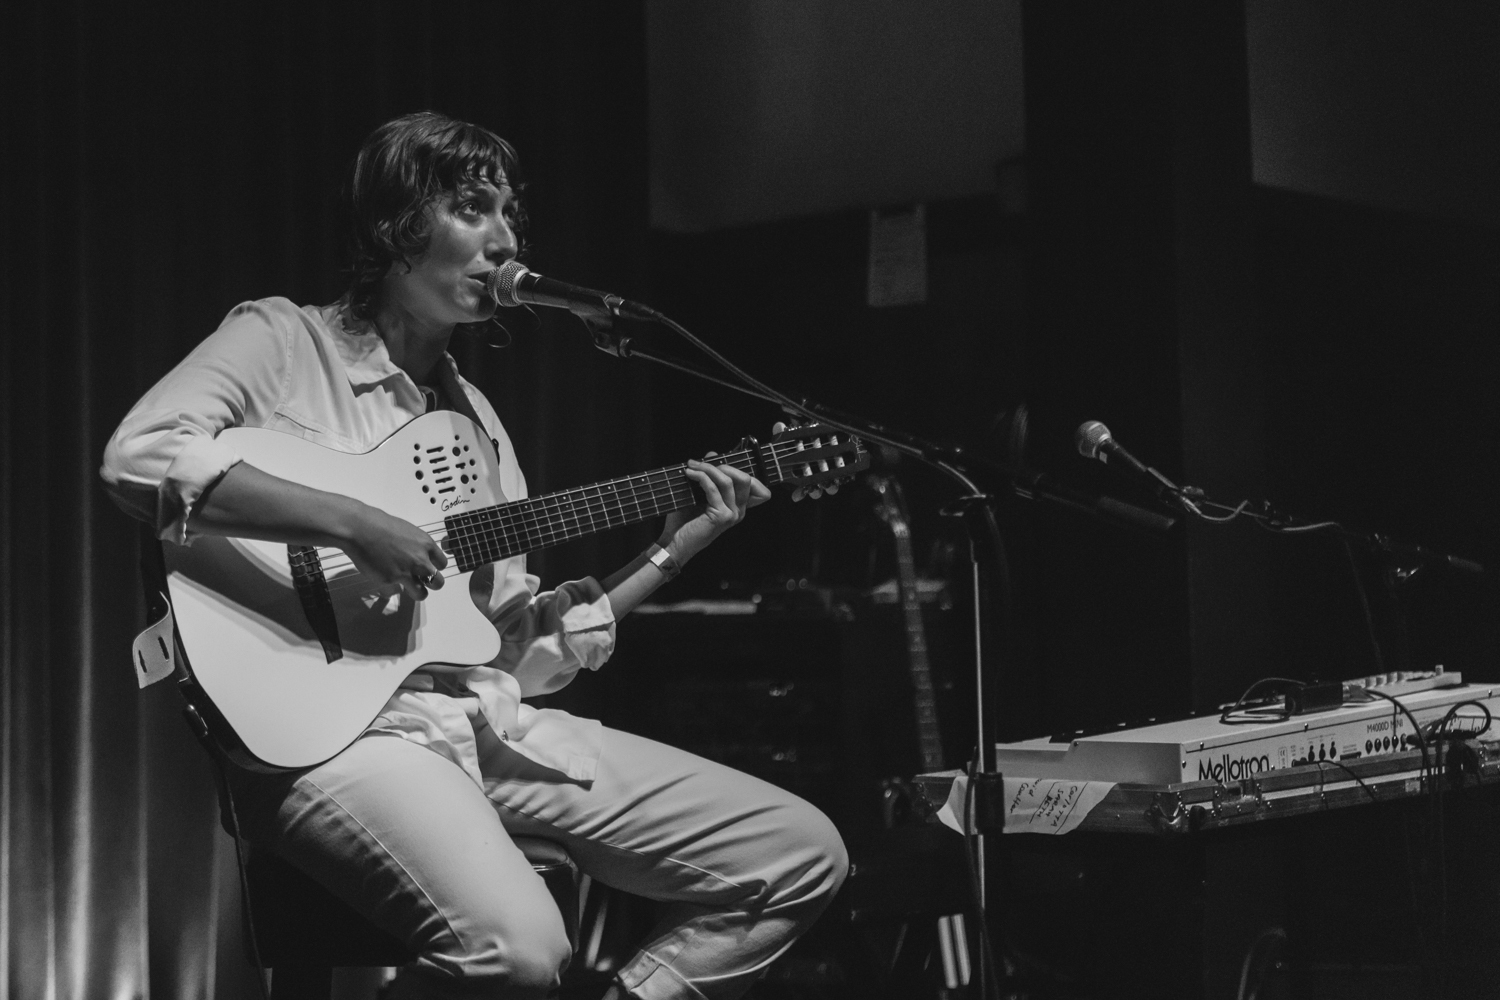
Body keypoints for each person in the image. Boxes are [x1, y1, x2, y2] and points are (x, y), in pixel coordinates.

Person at [101, 111, 847, 1000]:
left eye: (511, 214)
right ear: (396, 229)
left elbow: (516, 651)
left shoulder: (477, 427)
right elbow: (137, 455)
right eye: (471, 208)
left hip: (475, 723)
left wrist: (671, 550)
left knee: (796, 854)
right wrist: (347, 521)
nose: (505, 240)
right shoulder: (283, 342)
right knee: (521, 950)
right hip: (327, 742)